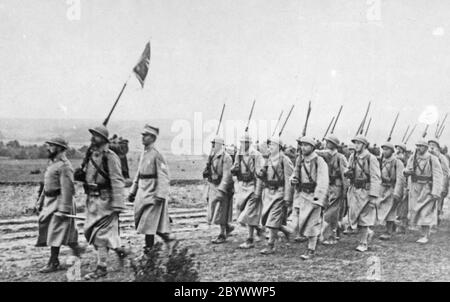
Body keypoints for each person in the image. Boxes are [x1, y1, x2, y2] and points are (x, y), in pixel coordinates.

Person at [81, 125, 129, 280]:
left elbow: (117, 180)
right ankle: (120, 250)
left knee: (101, 235)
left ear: (103, 139)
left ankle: (101, 267)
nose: (92, 138)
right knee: (92, 232)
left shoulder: (110, 157)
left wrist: (118, 204)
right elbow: (88, 175)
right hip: (92, 200)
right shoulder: (91, 155)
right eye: (92, 135)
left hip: (106, 200)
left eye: (96, 136)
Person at [128, 125, 177, 256]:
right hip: (143, 192)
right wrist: (133, 191)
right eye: (142, 135)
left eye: (146, 135)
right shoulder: (144, 153)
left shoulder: (157, 154)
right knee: (147, 223)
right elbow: (139, 173)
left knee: (148, 223)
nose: (143, 138)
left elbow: (164, 175)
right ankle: (169, 239)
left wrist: (160, 194)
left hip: (153, 193)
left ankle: (149, 251)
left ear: (153, 138)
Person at [35, 137, 83, 273]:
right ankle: (77, 249)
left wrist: (64, 209)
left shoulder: (64, 166)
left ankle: (53, 262)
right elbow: (47, 185)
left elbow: (68, 189)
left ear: (59, 148)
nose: (48, 148)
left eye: (51, 146)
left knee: (55, 231)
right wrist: (40, 200)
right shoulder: (52, 163)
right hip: (50, 201)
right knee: (61, 230)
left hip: (60, 201)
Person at [290, 136, 328, 260]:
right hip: (302, 195)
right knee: (299, 223)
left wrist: (318, 198)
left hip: (314, 195)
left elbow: (323, 181)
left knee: (312, 223)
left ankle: (311, 249)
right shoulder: (299, 160)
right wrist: (293, 180)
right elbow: (294, 174)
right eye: (302, 145)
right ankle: (318, 236)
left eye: (306, 145)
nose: (303, 147)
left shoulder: (319, 161)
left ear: (312, 147)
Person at [256, 136, 294, 255]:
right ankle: (286, 231)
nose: (269, 147)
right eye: (269, 145)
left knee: (273, 219)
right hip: (268, 192)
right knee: (266, 218)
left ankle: (270, 245)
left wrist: (287, 197)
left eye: (272, 145)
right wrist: (261, 174)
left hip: (279, 192)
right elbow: (262, 176)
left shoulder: (284, 160)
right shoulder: (268, 159)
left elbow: (289, 179)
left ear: (279, 147)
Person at [344, 135, 381, 252]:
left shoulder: (371, 158)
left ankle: (363, 243)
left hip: (366, 190)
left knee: (364, 218)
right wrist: (348, 172)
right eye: (355, 143)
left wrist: (373, 196)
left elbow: (376, 178)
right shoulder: (353, 156)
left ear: (364, 145)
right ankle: (368, 233)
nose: (356, 145)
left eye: (359, 143)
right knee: (354, 216)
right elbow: (348, 168)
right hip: (355, 190)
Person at [403, 140, 443, 243]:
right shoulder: (413, 157)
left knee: (426, 211)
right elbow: (407, 169)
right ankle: (422, 231)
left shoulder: (433, 159)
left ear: (426, 147)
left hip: (427, 188)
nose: (418, 148)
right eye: (417, 146)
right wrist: (406, 172)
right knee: (416, 209)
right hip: (415, 187)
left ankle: (424, 235)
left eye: (421, 146)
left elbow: (438, 176)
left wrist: (436, 191)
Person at [231, 133, 265, 249]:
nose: (243, 144)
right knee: (240, 212)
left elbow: (260, 175)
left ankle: (250, 239)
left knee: (248, 214)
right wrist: (234, 170)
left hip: (253, 186)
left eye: (245, 142)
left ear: (249, 143)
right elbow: (235, 167)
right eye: (241, 142)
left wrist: (258, 191)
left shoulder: (256, 155)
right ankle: (258, 228)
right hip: (242, 186)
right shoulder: (239, 154)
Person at [316, 134, 349, 245]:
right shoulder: (325, 155)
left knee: (331, 212)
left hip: (337, 186)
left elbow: (345, 175)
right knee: (328, 210)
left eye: (328, 142)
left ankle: (330, 236)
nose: (326, 143)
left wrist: (345, 190)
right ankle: (337, 229)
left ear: (333, 144)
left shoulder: (340, 157)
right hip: (327, 185)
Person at [203, 136, 234, 243]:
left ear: (220, 145)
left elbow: (227, 174)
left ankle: (222, 234)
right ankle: (227, 227)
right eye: (212, 143)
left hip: (222, 186)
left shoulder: (226, 157)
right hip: (213, 185)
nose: (212, 145)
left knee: (221, 210)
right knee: (213, 210)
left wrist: (222, 188)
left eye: (214, 143)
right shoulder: (212, 156)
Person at [376, 142, 405, 240]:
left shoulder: (397, 162)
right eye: (383, 149)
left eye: (387, 149)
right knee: (381, 207)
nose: (384, 151)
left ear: (392, 151)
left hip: (392, 188)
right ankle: (393, 225)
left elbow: (400, 178)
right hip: (382, 188)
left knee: (391, 210)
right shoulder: (380, 161)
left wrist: (397, 192)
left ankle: (388, 231)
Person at [427, 138, 449, 225]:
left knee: (438, 202)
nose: (431, 147)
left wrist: (443, 185)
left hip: (440, 183)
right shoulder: (428, 157)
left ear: (438, 148)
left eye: (434, 146)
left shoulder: (442, 158)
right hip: (429, 183)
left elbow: (446, 172)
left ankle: (437, 217)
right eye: (430, 145)